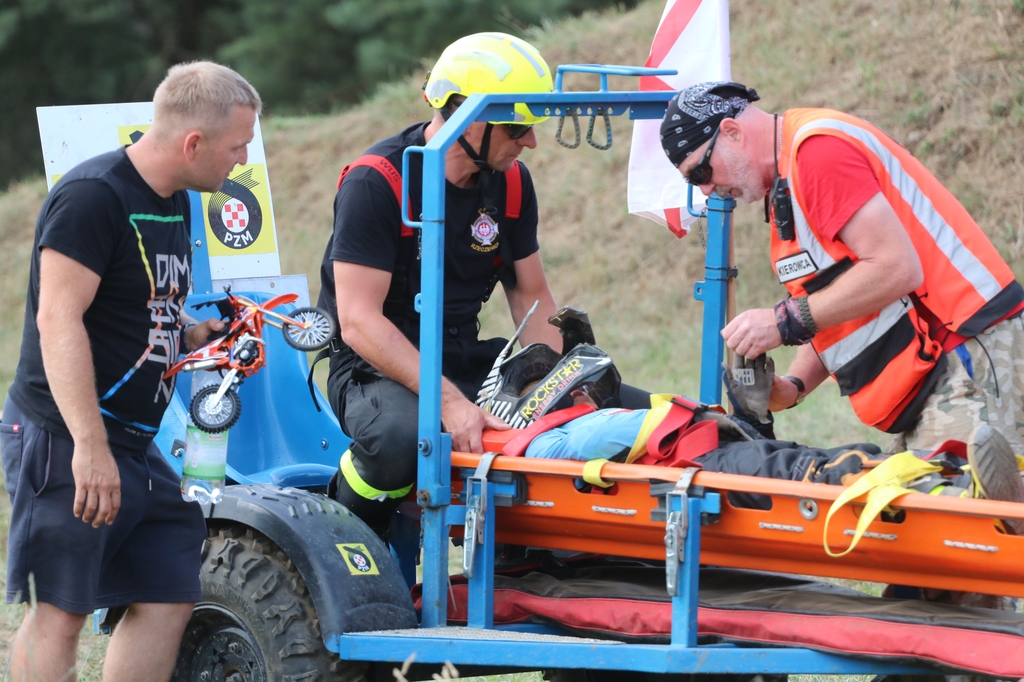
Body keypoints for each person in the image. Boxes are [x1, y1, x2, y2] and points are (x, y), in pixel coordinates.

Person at [319, 33, 650, 533]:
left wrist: (561, 382)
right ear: (467, 116)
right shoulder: (377, 183)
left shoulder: (512, 182)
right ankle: (340, 530)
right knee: (402, 440)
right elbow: (359, 322)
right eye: (518, 127)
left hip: (465, 355)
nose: (530, 141)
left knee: (619, 410)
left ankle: (540, 557)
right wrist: (450, 404)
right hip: (374, 368)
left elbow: (530, 294)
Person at [1, 61, 260, 682]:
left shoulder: (176, 201)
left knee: (168, 590)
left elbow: (145, 305)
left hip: (135, 443)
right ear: (193, 143)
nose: (243, 160)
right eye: (237, 147)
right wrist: (88, 448)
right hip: (67, 436)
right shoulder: (93, 197)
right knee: (60, 611)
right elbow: (58, 320)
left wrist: (198, 335)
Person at [659, 82, 1024, 457]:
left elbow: (896, 268)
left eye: (701, 171)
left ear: (732, 132)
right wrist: (794, 385)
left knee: (967, 496)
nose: (706, 189)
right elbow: (837, 299)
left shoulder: (816, 153)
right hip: (939, 370)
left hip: (966, 347)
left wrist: (783, 320)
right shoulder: (791, 172)